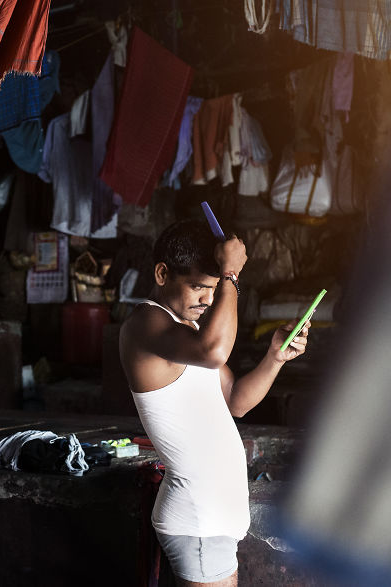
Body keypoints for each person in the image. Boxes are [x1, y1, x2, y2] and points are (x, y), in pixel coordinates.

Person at [119, 219, 310, 587]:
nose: (208, 299)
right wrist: (231, 273)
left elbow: (236, 402)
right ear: (162, 273)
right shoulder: (145, 323)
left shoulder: (187, 333)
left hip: (211, 525)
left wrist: (274, 358)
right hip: (197, 522)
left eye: (213, 288)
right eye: (198, 288)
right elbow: (215, 349)